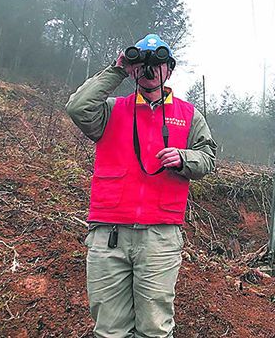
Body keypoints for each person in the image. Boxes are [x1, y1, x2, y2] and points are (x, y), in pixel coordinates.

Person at [65, 33, 216, 338]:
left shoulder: (188, 115)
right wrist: (117, 68)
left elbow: (208, 158)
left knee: (155, 329)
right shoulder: (110, 110)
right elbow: (78, 107)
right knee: (109, 329)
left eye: (158, 63)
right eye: (143, 63)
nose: (150, 70)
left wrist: (184, 157)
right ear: (134, 69)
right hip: (109, 232)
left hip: (159, 235)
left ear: (169, 69)